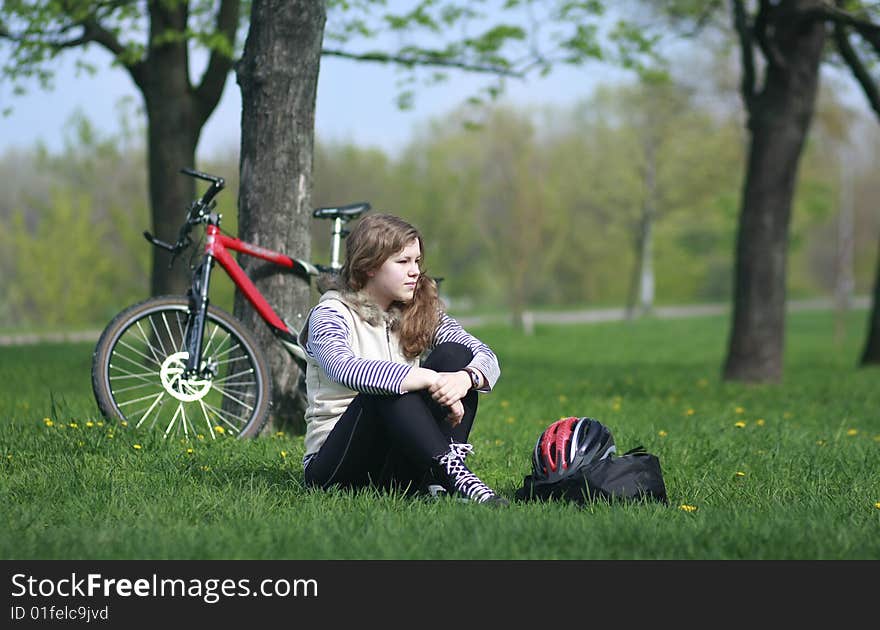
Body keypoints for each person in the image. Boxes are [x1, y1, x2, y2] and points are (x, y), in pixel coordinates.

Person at [298, 213, 507, 506]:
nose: (415, 272)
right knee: (385, 387)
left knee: (457, 356)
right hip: (337, 465)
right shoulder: (331, 313)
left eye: (417, 261)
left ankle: (440, 481)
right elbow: (343, 368)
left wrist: (464, 379)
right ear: (369, 265)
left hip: (398, 459)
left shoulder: (415, 310)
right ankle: (456, 477)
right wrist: (430, 378)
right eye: (403, 262)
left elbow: (485, 356)